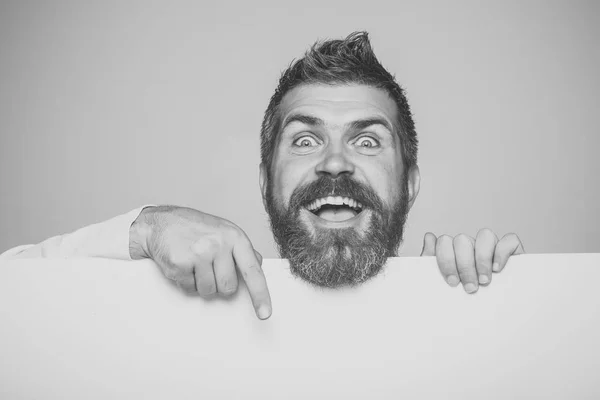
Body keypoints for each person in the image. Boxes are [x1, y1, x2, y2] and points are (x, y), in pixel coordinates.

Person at [0, 32, 524, 320]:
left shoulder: (460, 316)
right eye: (304, 140)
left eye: (366, 141)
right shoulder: (167, 329)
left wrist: (502, 308)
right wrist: (145, 227)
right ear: (264, 181)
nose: (335, 163)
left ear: (409, 184)